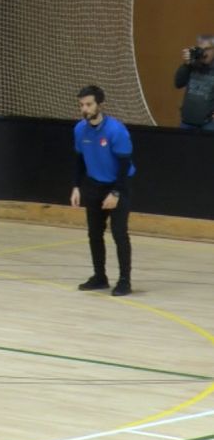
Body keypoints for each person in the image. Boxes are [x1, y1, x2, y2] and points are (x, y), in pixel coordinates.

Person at [71, 85, 136, 296]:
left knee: (119, 234)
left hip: (117, 184)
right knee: (94, 234)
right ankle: (100, 276)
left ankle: (125, 281)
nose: (84, 109)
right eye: (81, 105)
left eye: (89, 104)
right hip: (93, 185)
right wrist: (76, 186)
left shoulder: (115, 130)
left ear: (100, 105)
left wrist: (116, 193)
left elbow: (125, 165)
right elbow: (80, 160)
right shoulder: (80, 129)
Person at [175, 35, 214, 132]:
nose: (203, 52)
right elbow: (178, 83)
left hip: (208, 124)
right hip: (186, 122)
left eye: (207, 49)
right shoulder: (192, 65)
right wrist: (186, 64)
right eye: (200, 49)